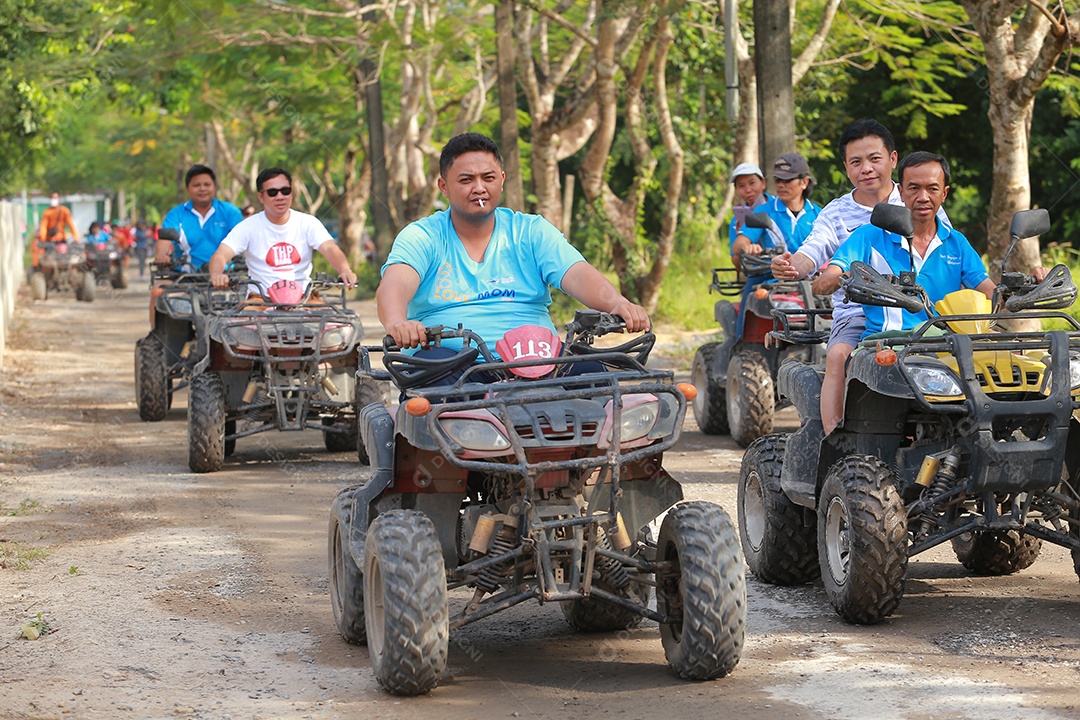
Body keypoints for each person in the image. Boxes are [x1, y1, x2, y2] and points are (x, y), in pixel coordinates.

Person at [377, 132, 648, 356]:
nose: (479, 188)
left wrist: (617, 303)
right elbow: (395, 284)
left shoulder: (531, 231)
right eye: (466, 180)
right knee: (438, 385)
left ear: (502, 180)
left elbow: (576, 273)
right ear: (443, 186)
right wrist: (397, 322)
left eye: (488, 178)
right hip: (448, 362)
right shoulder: (423, 236)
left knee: (598, 378)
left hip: (537, 357)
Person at [769, 119, 948, 435]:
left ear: (892, 159)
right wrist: (791, 265)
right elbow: (812, 251)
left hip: (921, 311)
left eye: (874, 158)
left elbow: (949, 250)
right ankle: (835, 438)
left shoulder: (918, 199)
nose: (866, 168)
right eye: (856, 162)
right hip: (858, 315)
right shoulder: (836, 213)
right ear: (846, 168)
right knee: (838, 355)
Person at [819, 152, 997, 434]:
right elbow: (828, 277)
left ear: (944, 193)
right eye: (914, 188)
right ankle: (834, 438)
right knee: (838, 357)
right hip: (888, 341)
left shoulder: (956, 242)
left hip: (946, 341)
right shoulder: (869, 235)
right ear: (900, 192)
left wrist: (1027, 288)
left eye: (932, 188)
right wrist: (841, 278)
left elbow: (990, 292)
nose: (923, 197)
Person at [208, 167, 358, 293]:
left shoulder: (308, 222)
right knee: (242, 321)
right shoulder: (247, 227)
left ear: (291, 193)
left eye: (285, 191)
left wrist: (345, 270)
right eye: (272, 192)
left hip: (304, 298)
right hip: (259, 301)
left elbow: (330, 248)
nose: (280, 197)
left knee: (336, 319)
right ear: (261, 197)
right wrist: (217, 274)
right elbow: (221, 255)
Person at [156, 165, 243, 270]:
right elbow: (165, 240)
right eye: (196, 185)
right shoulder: (176, 214)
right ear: (187, 188)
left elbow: (244, 239)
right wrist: (162, 255)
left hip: (227, 273)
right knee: (161, 281)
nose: (202, 189)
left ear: (214, 186)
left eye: (207, 184)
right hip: (185, 275)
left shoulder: (230, 211)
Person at [727, 162, 771, 271]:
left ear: (763, 183)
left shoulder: (777, 208)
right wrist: (743, 250)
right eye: (741, 186)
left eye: (752, 183)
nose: (748, 190)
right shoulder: (736, 221)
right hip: (758, 274)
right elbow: (737, 264)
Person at [33, 192, 79, 267]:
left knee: (65, 259)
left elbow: (71, 225)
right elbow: (43, 227)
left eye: (55, 198)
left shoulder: (64, 211)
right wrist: (43, 239)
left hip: (62, 239)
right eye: (52, 198)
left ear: (59, 199)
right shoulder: (47, 212)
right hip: (50, 240)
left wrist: (76, 237)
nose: (53, 199)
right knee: (49, 260)